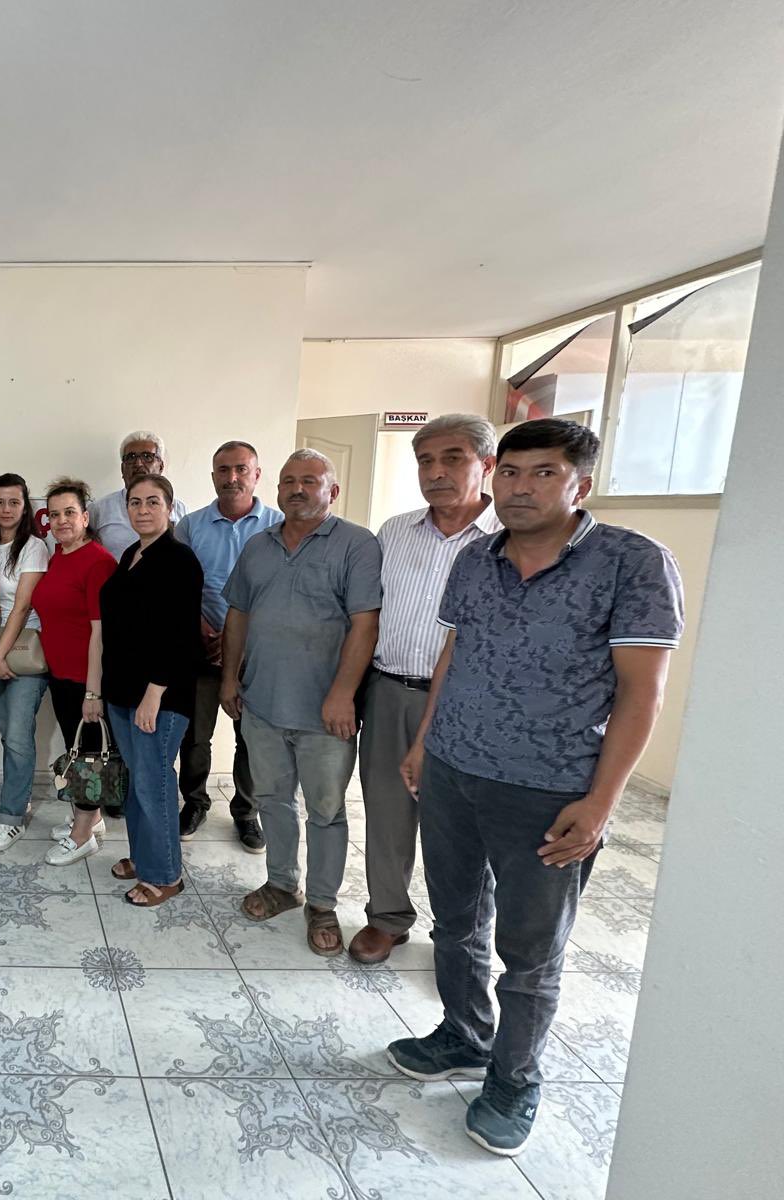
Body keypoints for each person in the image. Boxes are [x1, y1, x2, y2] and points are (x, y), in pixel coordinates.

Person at [389, 419, 682, 1157]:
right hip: (454, 770)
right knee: (456, 921)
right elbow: (453, 653)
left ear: (581, 483)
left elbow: (641, 693)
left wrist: (602, 802)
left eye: (544, 473)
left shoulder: (632, 563)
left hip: (549, 790)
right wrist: (425, 742)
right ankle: (464, 1034)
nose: (520, 489)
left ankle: (514, 1078)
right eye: (511, 473)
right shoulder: (475, 559)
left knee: (531, 948)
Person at [349, 415, 502, 966]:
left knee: (461, 827)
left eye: (453, 459)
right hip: (389, 690)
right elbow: (367, 615)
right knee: (387, 814)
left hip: (467, 703)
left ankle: (461, 938)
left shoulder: (506, 539)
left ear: (486, 465)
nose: (436, 472)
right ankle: (387, 918)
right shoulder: (394, 532)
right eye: (426, 461)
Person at [220, 449, 382, 958]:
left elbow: (365, 623)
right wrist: (230, 677)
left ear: (332, 490)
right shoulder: (259, 545)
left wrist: (343, 693)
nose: (296, 489)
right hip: (262, 703)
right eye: (288, 480)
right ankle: (281, 884)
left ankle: (323, 903)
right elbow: (238, 614)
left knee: (326, 810)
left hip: (326, 713)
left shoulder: (357, 544)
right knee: (272, 800)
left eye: (309, 480)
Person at [99, 474, 203, 906]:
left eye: (152, 502)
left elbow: (180, 636)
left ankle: (165, 875)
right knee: (137, 782)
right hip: (123, 691)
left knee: (153, 782)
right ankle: (144, 857)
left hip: (159, 696)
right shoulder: (132, 554)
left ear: (169, 508)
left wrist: (154, 693)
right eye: (135, 502)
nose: (142, 510)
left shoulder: (179, 560)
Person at [174, 440, 283, 851]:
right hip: (202, 647)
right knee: (195, 737)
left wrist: (239, 635)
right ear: (213, 476)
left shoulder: (278, 525)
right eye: (223, 470)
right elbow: (179, 585)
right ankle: (195, 803)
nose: (232, 477)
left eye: (241, 469)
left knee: (250, 737)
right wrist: (203, 626)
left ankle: (246, 812)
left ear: (257, 475)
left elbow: (282, 590)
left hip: (256, 654)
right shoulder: (191, 526)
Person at [31, 478, 118, 867]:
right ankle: (92, 820)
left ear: (85, 516)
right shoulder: (59, 556)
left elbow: (101, 633)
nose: (61, 520)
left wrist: (93, 692)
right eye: (54, 514)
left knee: (88, 756)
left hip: (86, 679)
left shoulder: (98, 562)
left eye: (69, 512)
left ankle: (82, 837)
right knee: (78, 750)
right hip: (61, 676)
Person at [0, 473, 51, 852]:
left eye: (14, 502)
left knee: (20, 735)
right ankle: (17, 797)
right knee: (8, 730)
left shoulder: (34, 547)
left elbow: (22, 607)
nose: (6, 509)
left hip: (22, 648)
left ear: (25, 508)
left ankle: (11, 819)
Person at [88, 430, 187, 556]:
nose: (138, 464)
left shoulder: (178, 509)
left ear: (161, 466)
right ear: (122, 468)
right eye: (131, 457)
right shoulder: (99, 510)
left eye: (147, 456)